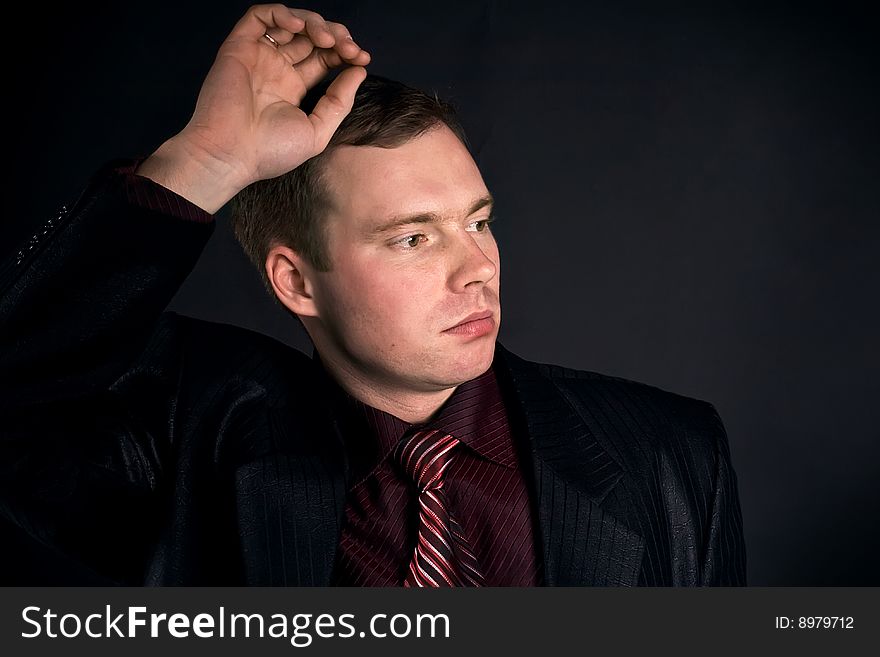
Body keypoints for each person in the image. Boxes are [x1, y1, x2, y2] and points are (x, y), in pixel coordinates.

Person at [0, 5, 746, 586]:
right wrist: (204, 160)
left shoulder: (671, 453)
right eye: (413, 238)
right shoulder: (189, 439)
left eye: (478, 221)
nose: (477, 267)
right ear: (296, 281)